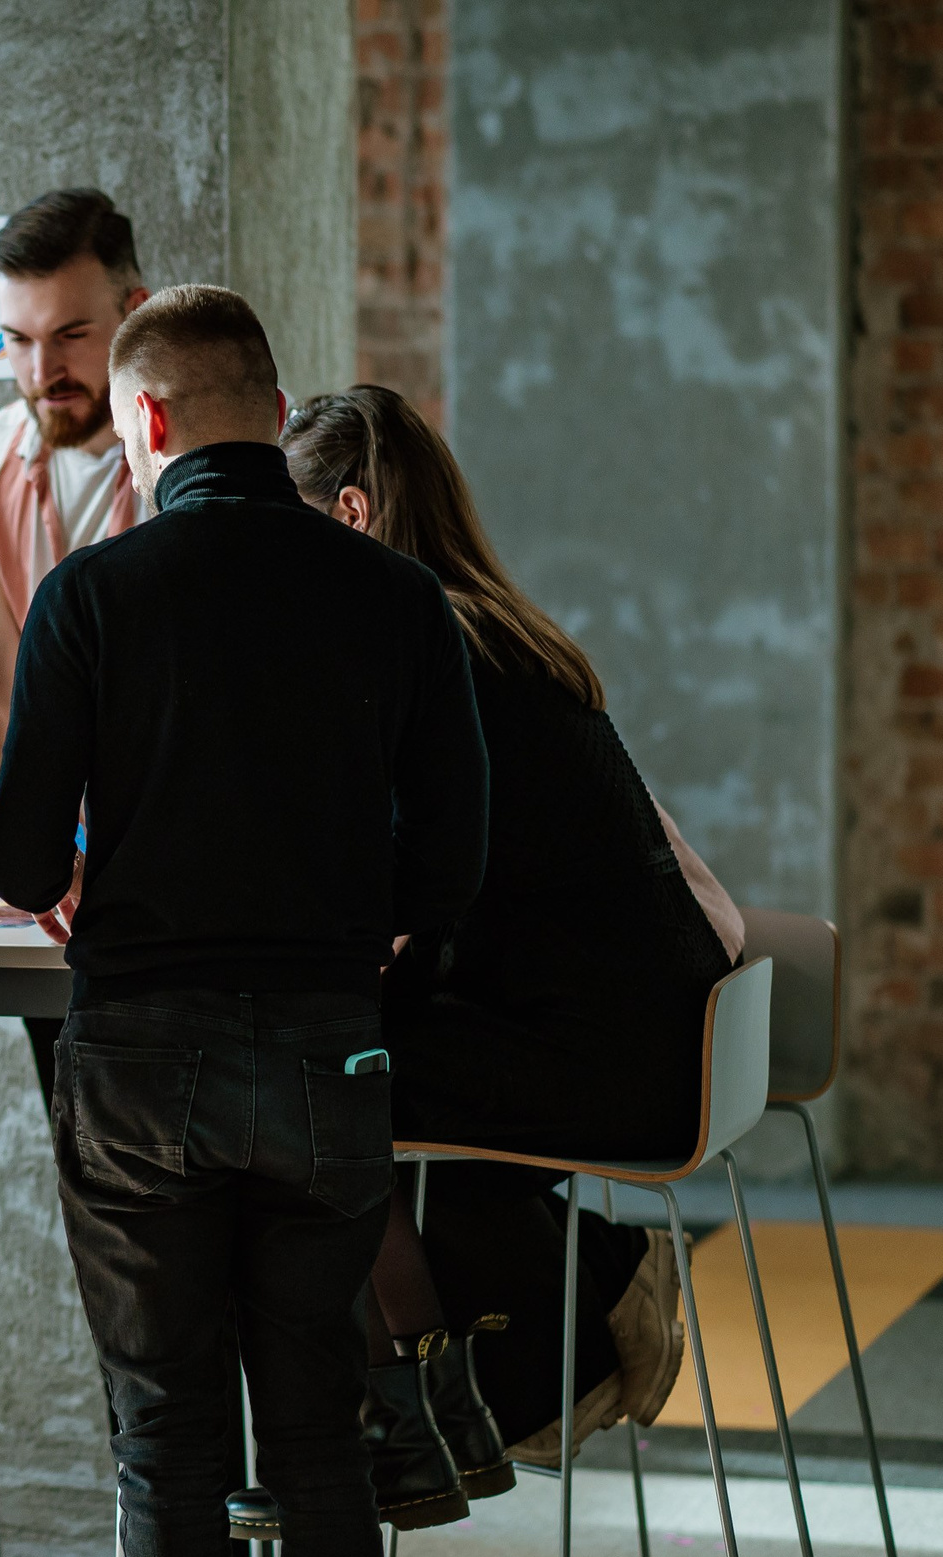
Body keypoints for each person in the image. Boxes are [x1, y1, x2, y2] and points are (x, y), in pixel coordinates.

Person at [0, 286, 489, 1557]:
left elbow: (20, 858)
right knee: (320, 1431)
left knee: (165, 1435)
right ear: (273, 412)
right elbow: (455, 860)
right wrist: (365, 918)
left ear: (145, 420)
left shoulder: (91, 595)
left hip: (138, 1061)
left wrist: (90, 860)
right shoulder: (396, 596)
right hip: (325, 1054)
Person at [282, 385, 739, 1471]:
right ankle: (450, 1401)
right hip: (657, 1036)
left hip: (604, 1058)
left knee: (310, 1087)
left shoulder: (429, 657)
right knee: (340, 1080)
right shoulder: (491, 627)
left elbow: (401, 892)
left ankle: (442, 1408)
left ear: (350, 515)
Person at [0, 188, 149, 1168]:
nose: (40, 371)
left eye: (69, 335)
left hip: (180, 886)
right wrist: (34, 866)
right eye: (17, 340)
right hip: (48, 886)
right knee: (86, 1160)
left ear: (134, 312)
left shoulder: (194, 462)